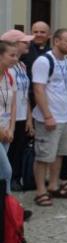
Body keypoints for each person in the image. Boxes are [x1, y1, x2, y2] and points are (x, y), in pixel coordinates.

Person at [31, 28, 67, 206]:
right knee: (44, 155)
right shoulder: (44, 61)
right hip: (49, 117)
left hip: (65, 117)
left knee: (59, 153)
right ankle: (40, 191)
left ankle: (53, 185)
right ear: (57, 41)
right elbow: (38, 89)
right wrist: (47, 116)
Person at [2, 30, 35, 191]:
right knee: (8, 156)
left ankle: (14, 179)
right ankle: (10, 182)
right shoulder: (8, 69)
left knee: (18, 150)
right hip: (7, 120)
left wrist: (29, 117)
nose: (28, 44)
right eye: (24, 41)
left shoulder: (21, 65)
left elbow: (24, 94)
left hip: (20, 116)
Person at [0, 40, 18, 194]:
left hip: (6, 129)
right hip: (1, 130)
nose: (15, 59)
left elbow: (13, 104)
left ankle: (5, 204)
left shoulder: (10, 74)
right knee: (6, 171)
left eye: (16, 55)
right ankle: (8, 203)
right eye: (11, 55)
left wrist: (11, 128)